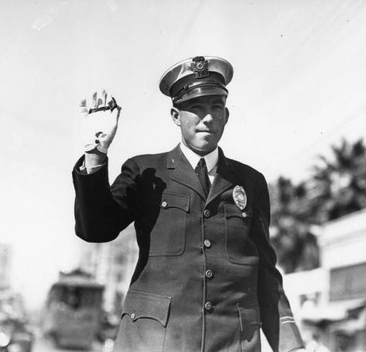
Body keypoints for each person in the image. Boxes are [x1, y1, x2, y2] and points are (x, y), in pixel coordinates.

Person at [72, 56, 306, 352]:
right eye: (196, 108)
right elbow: (95, 229)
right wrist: (95, 154)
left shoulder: (250, 182)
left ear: (226, 115)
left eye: (216, 108)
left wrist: (291, 345)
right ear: (175, 115)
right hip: (154, 343)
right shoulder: (145, 172)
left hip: (232, 344)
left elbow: (265, 274)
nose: (207, 118)